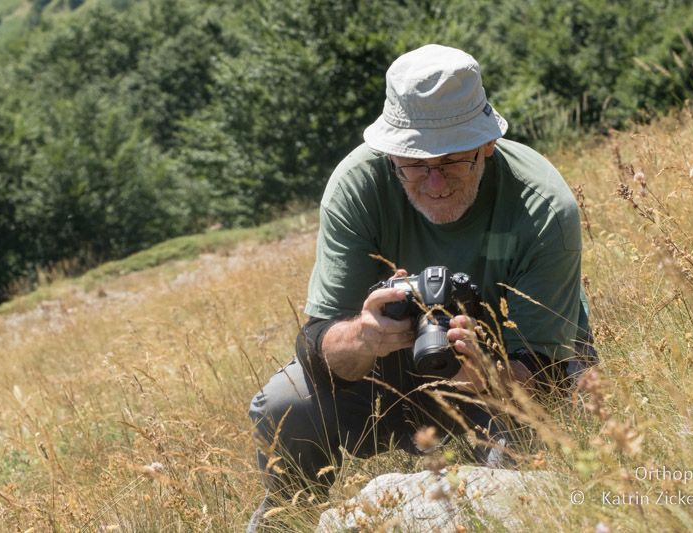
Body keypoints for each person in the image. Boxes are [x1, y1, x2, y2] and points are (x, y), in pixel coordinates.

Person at [246, 44, 595, 530]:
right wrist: (364, 336)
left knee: (526, 464)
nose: (434, 183)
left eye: (453, 161)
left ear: (488, 145)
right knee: (287, 402)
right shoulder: (359, 186)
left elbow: (550, 368)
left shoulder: (543, 207)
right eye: (413, 163)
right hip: (385, 363)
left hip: (513, 365)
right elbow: (315, 344)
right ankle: (287, 521)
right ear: (390, 153)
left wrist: (489, 375)